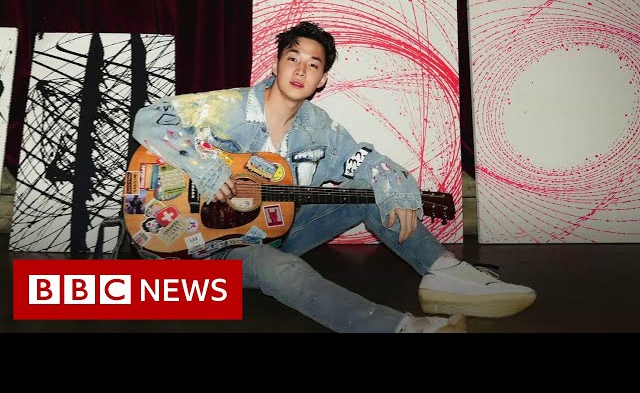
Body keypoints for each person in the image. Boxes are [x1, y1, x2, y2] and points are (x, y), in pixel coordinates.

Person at [132, 21, 536, 333]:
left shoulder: (318, 127)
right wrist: (205, 167)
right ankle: (400, 328)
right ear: (275, 64)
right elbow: (149, 118)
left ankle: (446, 274)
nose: (301, 69)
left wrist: (397, 192)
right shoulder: (230, 107)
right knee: (283, 272)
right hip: (202, 249)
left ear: (322, 79)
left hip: (276, 231)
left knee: (370, 189)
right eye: (293, 58)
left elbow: (369, 162)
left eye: (313, 64)